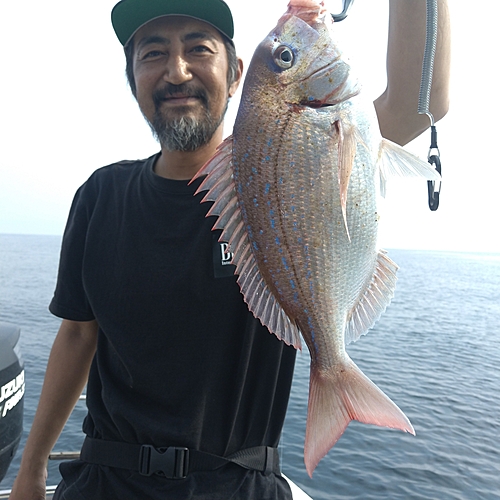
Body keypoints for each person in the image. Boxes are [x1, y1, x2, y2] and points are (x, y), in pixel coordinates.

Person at [9, 0, 450, 499]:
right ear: (132, 80)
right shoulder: (100, 195)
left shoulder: (288, 173)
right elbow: (76, 336)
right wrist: (32, 464)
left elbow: (421, 102)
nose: (176, 71)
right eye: (153, 54)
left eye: (198, 48)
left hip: (236, 486)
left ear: (237, 72)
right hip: (102, 481)